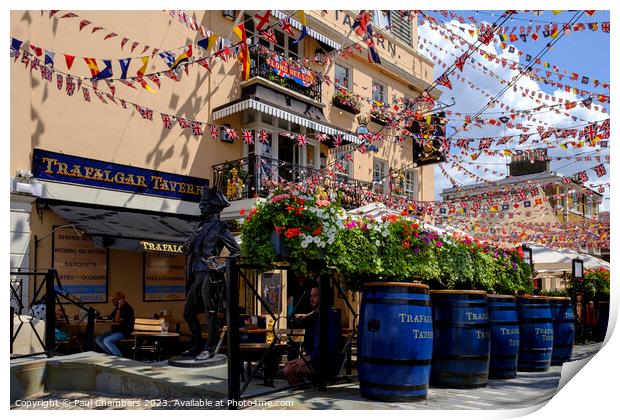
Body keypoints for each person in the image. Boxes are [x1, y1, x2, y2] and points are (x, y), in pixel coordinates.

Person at [182, 185, 240, 360]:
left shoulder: (219, 226)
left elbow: (236, 251)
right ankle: (198, 344)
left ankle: (209, 347)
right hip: (195, 273)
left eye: (204, 204)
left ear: (213, 207)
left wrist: (223, 267)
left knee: (211, 313)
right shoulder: (199, 226)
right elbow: (190, 250)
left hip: (209, 274)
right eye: (201, 204)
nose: (201, 206)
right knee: (188, 313)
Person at [283, 283, 342, 385]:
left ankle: (305, 389)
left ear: (323, 297)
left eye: (315, 296)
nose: (311, 299)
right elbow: (312, 314)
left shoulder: (330, 317)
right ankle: (305, 387)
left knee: (289, 369)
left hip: (324, 362)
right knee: (288, 365)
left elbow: (330, 345)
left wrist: (309, 358)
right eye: (311, 295)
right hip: (316, 359)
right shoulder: (317, 314)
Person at [95, 291, 134, 357]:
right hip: (114, 331)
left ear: (119, 300)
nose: (112, 302)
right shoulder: (117, 307)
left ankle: (119, 356)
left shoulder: (128, 309)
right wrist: (101, 318)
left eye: (113, 300)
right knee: (98, 338)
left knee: (107, 340)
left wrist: (119, 307)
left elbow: (116, 320)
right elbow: (111, 317)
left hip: (123, 332)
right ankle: (112, 354)